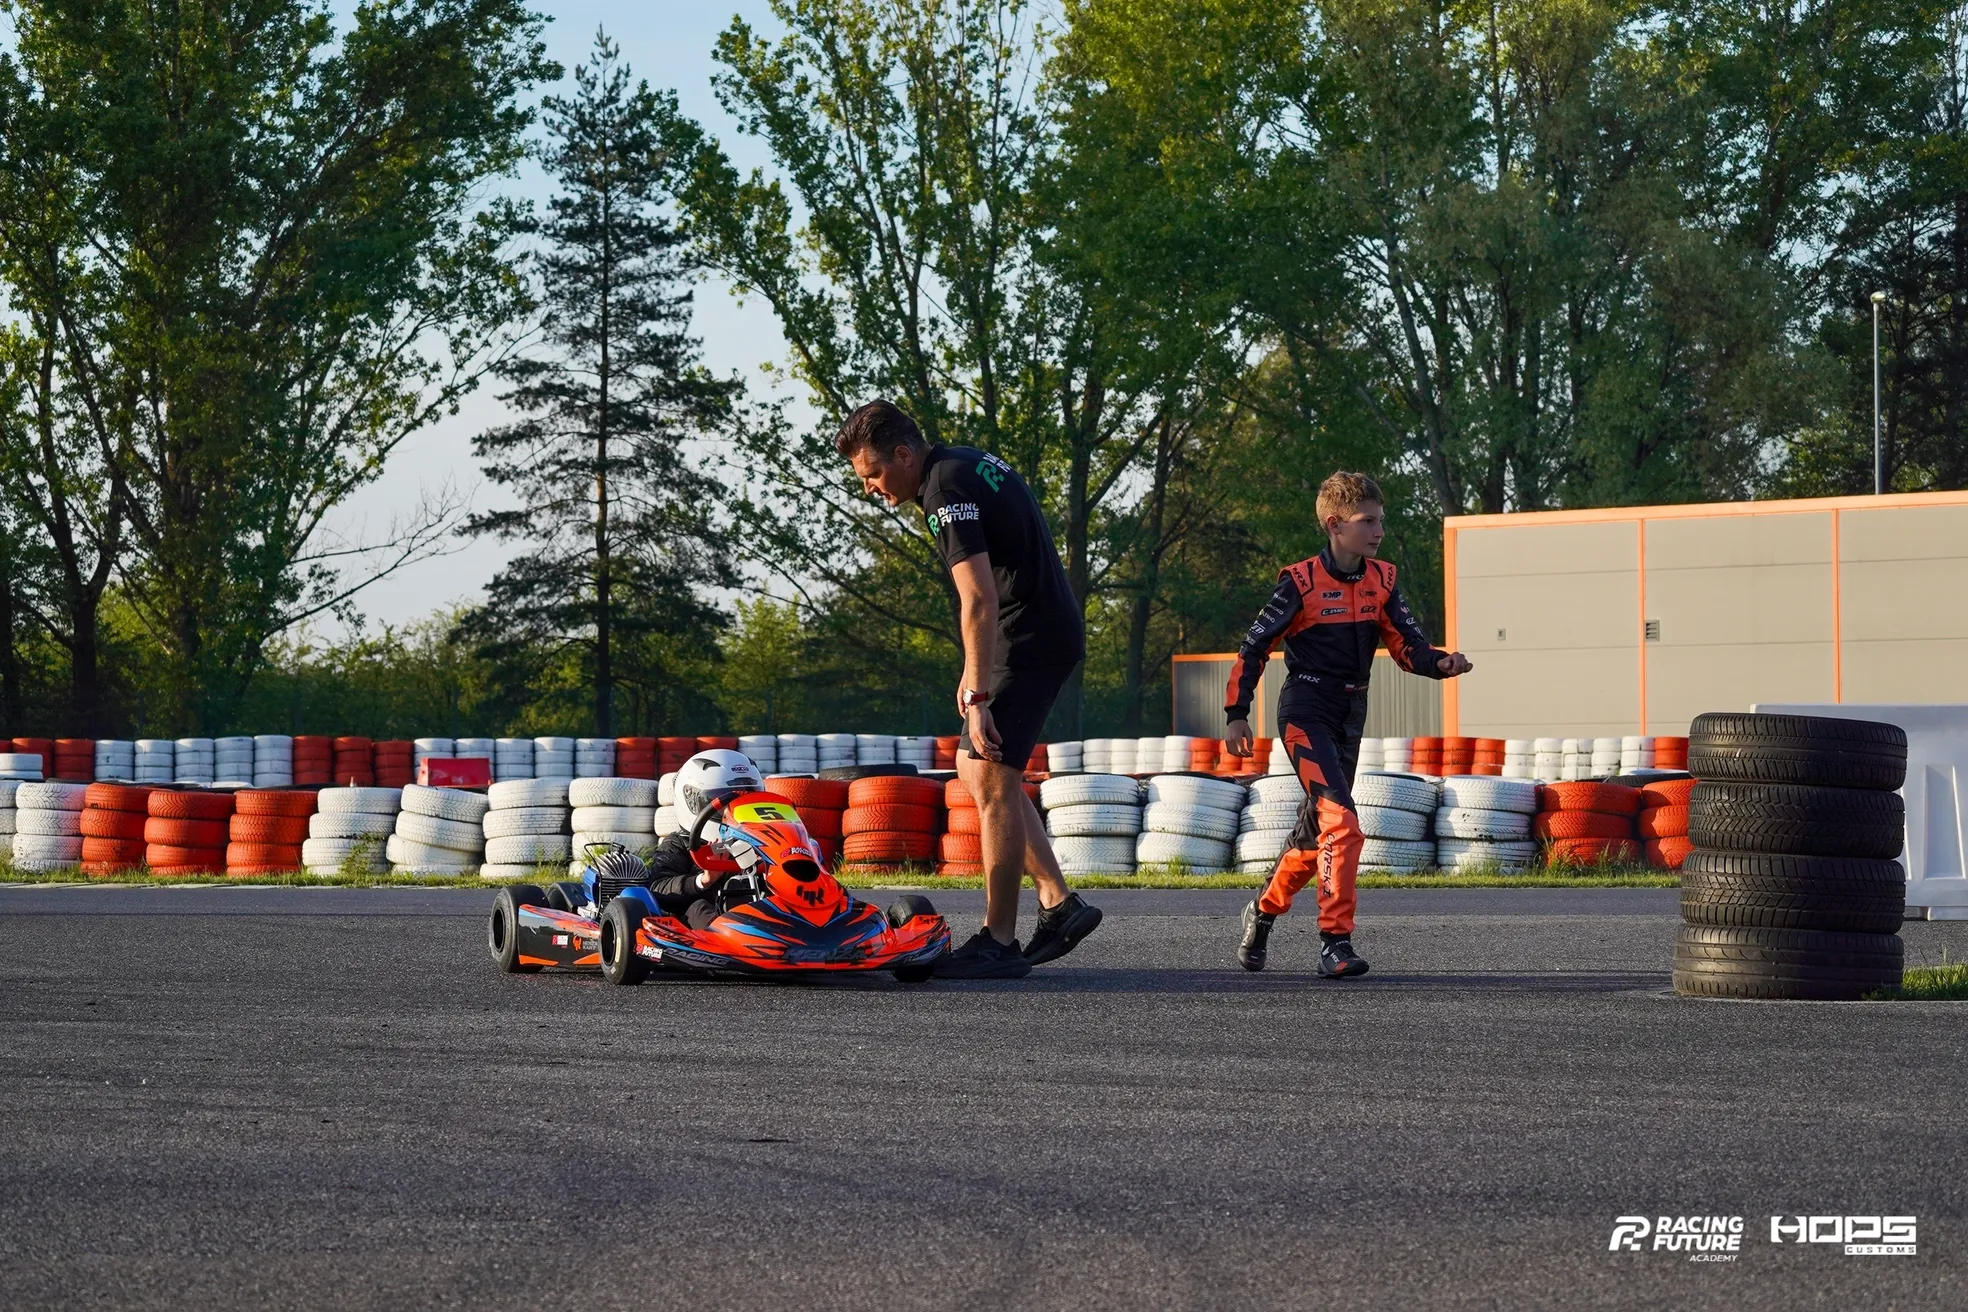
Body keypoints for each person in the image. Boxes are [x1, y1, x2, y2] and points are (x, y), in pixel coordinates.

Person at [835, 399, 1102, 979]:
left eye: (873, 475)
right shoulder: (958, 462)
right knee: (975, 772)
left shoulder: (941, 490)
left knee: (991, 774)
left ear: (903, 454)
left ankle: (999, 941)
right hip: (1039, 628)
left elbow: (977, 597)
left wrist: (976, 694)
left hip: (1028, 637)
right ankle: (1058, 902)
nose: (872, 490)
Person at [1224, 471, 1473, 976]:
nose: (1379, 530)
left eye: (1381, 520)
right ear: (1335, 525)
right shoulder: (1297, 581)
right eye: (1368, 521)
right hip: (1304, 713)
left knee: (1317, 834)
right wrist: (1236, 714)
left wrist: (1440, 662)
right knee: (1344, 824)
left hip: (1350, 715)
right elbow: (1253, 649)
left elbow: (1407, 645)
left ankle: (1263, 911)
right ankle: (1334, 942)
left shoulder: (1383, 579)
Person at [587, 749, 764, 930]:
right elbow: (658, 888)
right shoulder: (678, 843)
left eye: (747, 800)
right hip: (695, 919)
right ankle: (729, 941)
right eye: (725, 802)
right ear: (693, 801)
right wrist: (703, 880)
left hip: (750, 911)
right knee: (698, 907)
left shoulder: (761, 840)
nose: (733, 810)